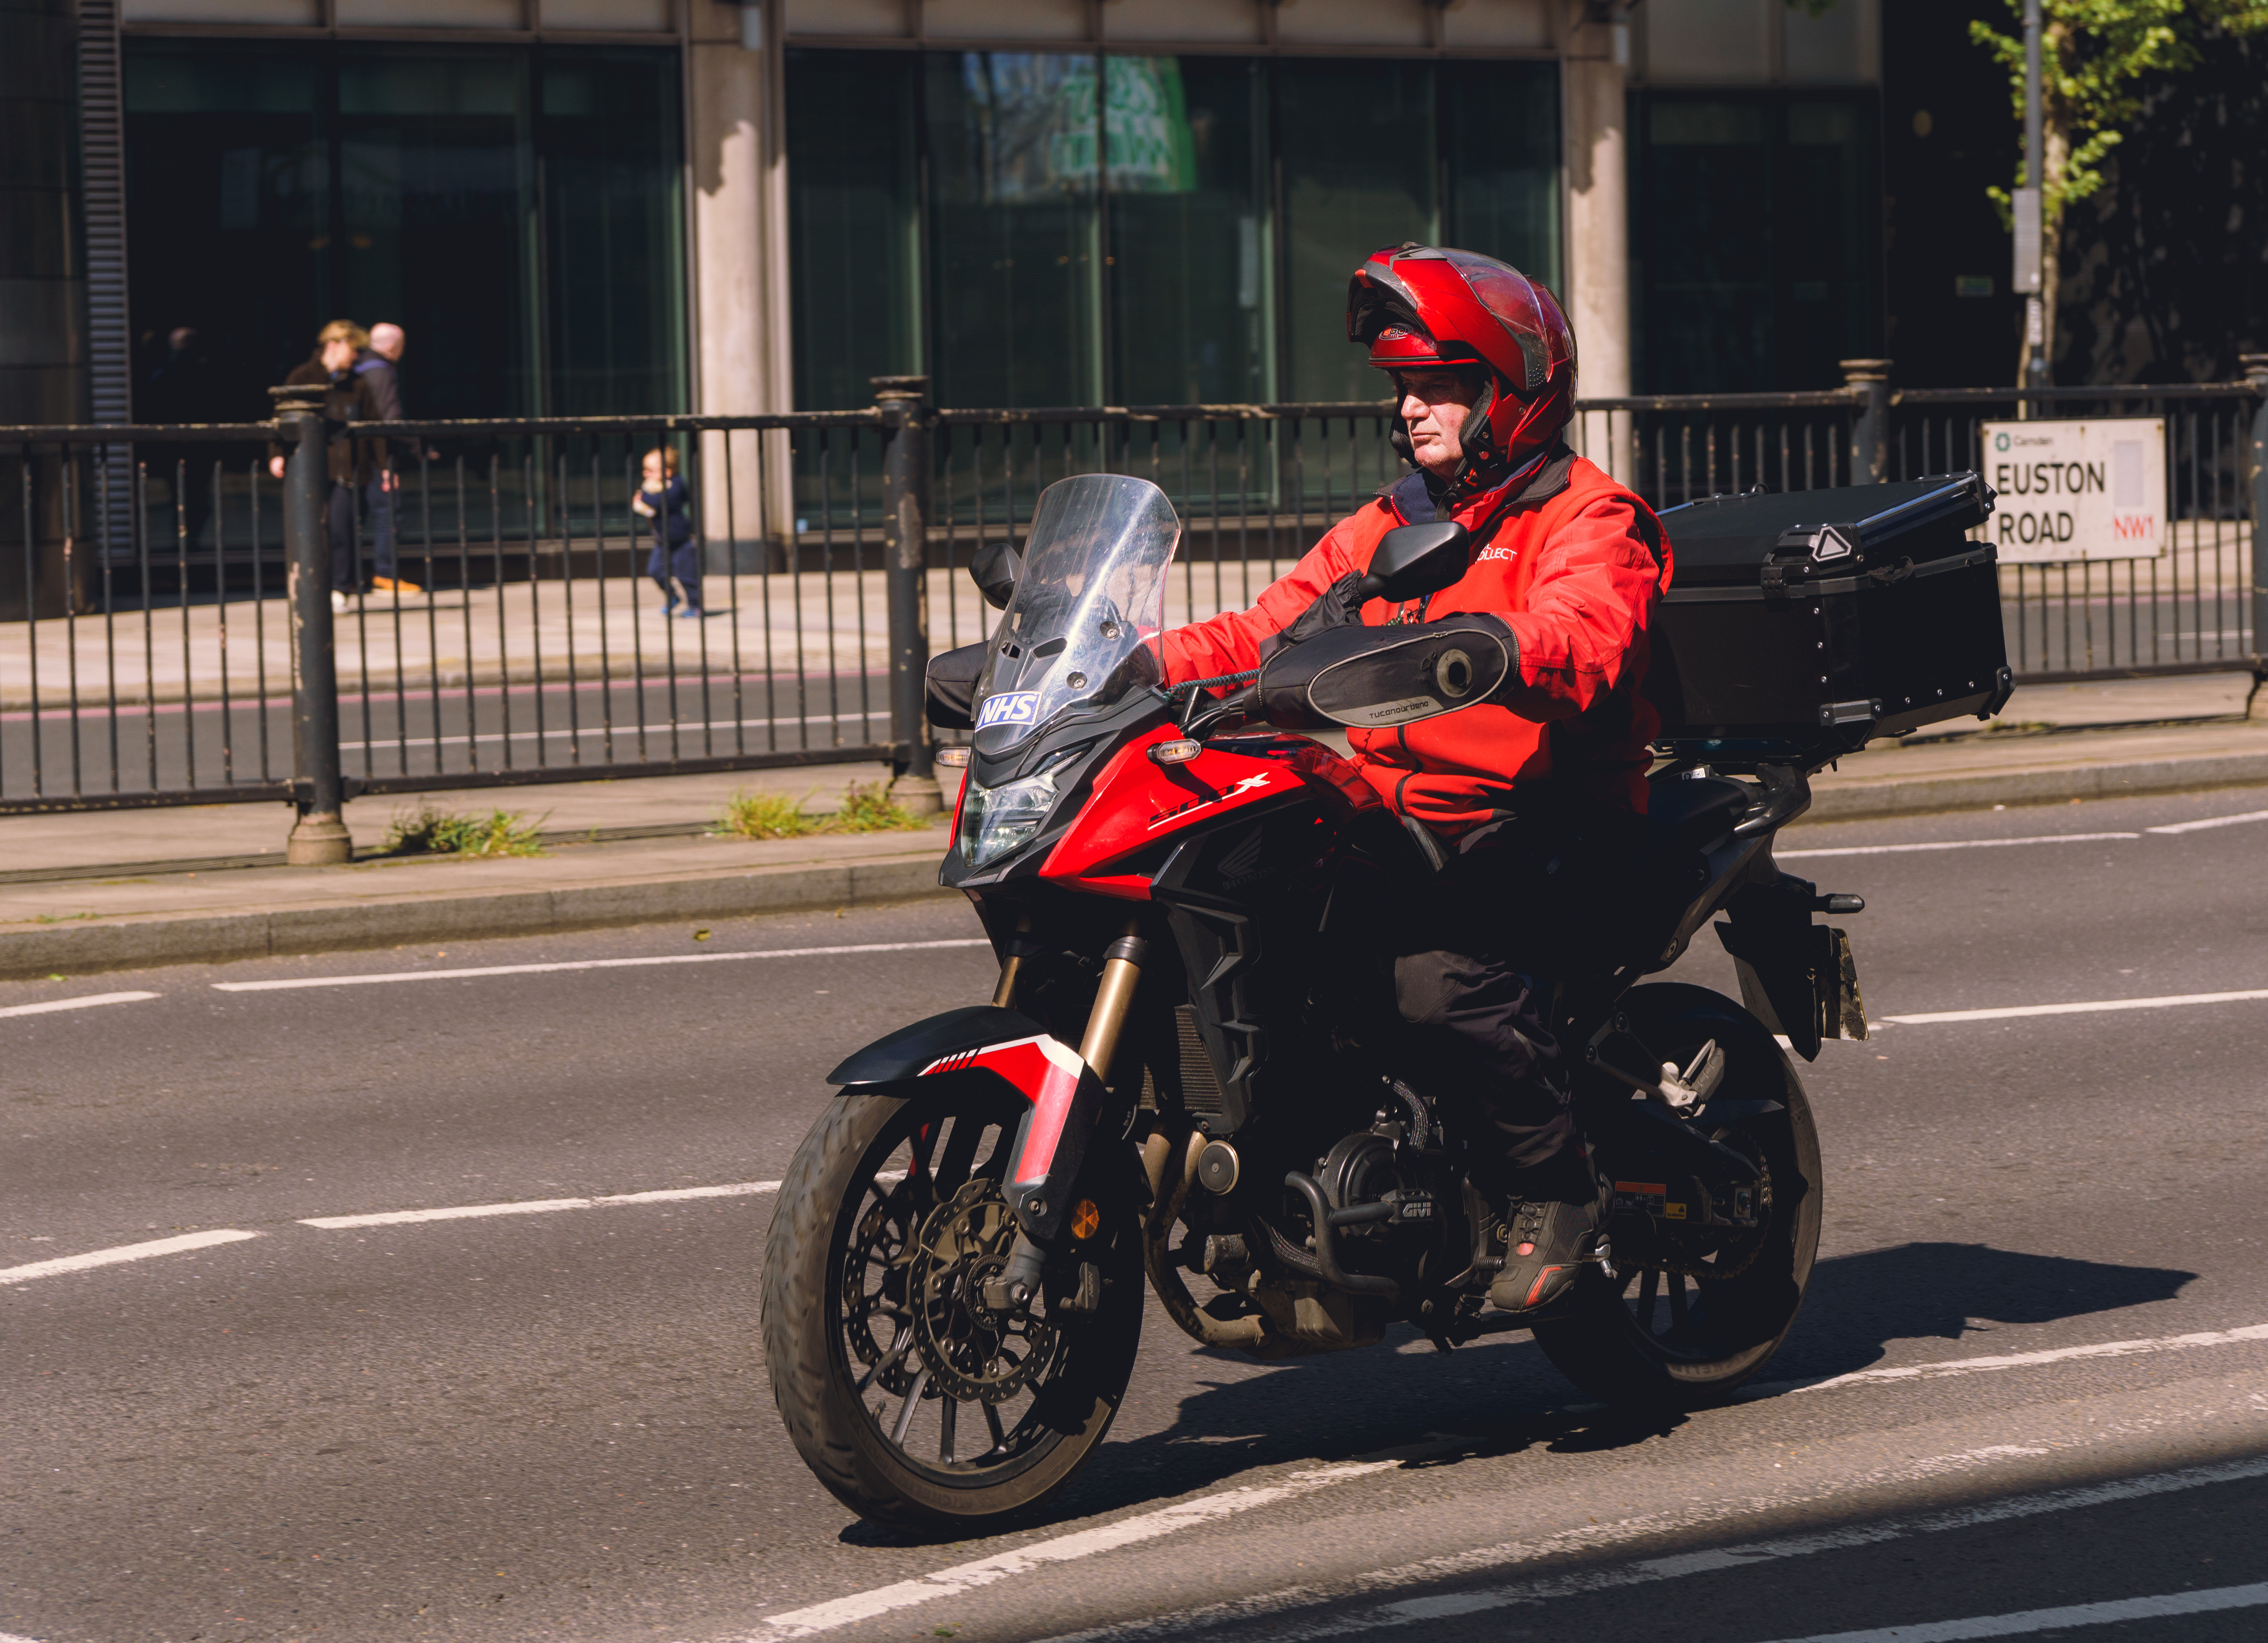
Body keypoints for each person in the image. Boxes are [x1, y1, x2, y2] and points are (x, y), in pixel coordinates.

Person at [1158, 243, 1674, 1316]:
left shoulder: (1589, 517)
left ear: (1514, 393)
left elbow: (1588, 633)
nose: (1413, 412)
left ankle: (1557, 1188)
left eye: (1440, 388)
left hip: (1541, 816)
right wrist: (1124, 667)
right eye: (1404, 390)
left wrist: (1496, 643)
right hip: (1400, 815)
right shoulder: (1393, 522)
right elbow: (1267, 627)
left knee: (1429, 982)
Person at [266, 320, 395, 612]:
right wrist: (276, 453)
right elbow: (281, 417)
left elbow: (373, 425)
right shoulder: (303, 376)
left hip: (347, 471)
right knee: (311, 529)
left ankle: (339, 587)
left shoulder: (357, 384)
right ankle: (312, 587)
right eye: (353, 348)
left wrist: (385, 465)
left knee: (341, 529)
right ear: (334, 345)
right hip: (310, 469)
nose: (356, 356)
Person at [354, 322, 419, 596]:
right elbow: (388, 418)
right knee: (387, 513)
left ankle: (348, 577)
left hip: (356, 454)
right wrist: (417, 447)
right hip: (375, 457)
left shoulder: (361, 367)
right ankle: (385, 574)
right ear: (393, 347)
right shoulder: (381, 373)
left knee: (355, 515)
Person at [631, 447, 701, 617]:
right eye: (645, 470)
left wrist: (643, 498)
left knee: (686, 574)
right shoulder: (655, 486)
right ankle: (672, 596)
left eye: (650, 471)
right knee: (655, 571)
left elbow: (661, 501)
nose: (645, 474)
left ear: (668, 472)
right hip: (662, 541)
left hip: (680, 541)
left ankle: (695, 605)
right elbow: (651, 508)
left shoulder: (675, 485)